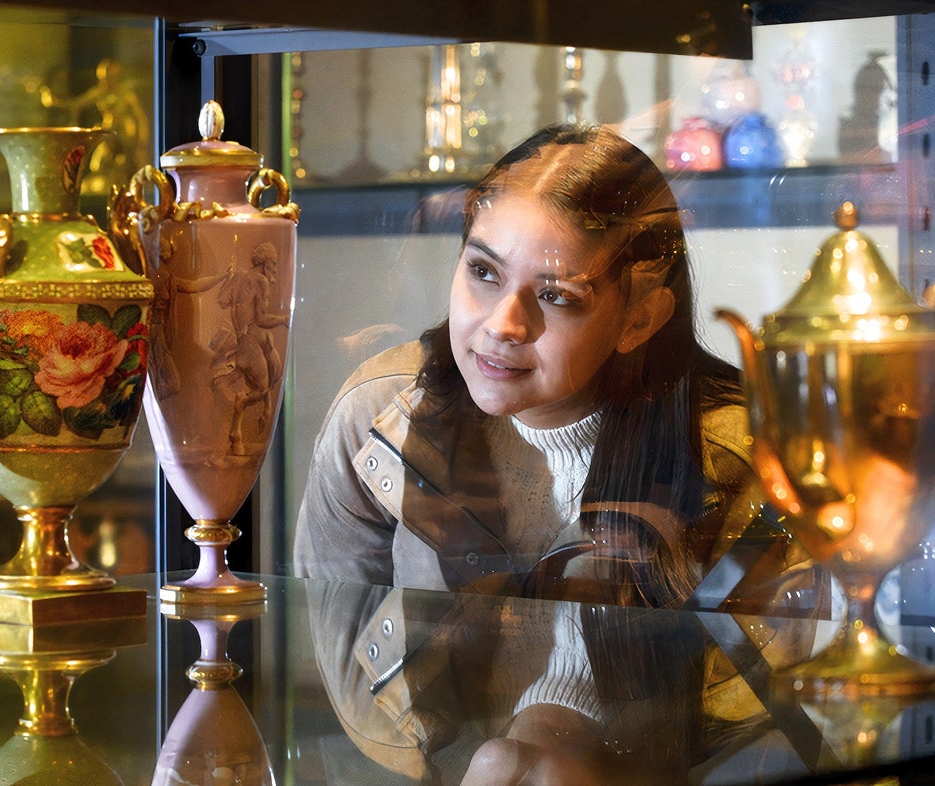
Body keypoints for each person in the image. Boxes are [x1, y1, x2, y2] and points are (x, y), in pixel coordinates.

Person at [292, 123, 826, 783]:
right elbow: (344, 668)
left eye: (556, 296)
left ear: (640, 318)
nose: (503, 325)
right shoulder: (378, 418)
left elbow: (759, 712)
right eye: (483, 271)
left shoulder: (739, 460)